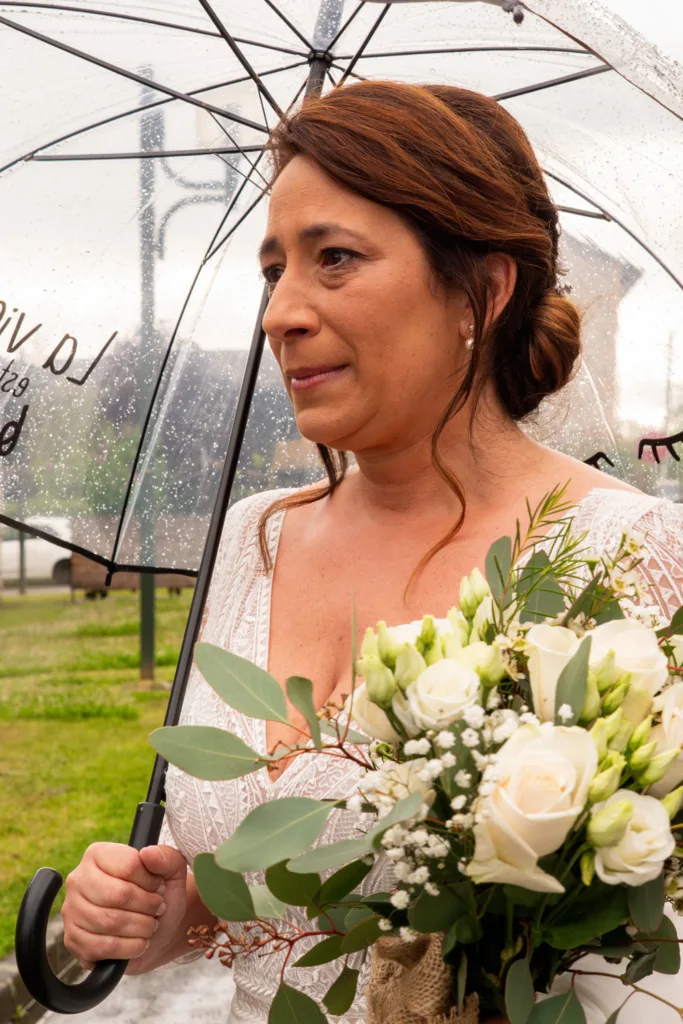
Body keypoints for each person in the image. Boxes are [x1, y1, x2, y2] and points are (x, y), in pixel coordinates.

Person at [60, 81, 683, 1023]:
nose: (281, 312)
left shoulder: (623, 557)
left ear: (484, 283)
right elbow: (261, 896)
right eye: (275, 271)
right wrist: (167, 918)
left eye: (335, 259)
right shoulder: (252, 539)